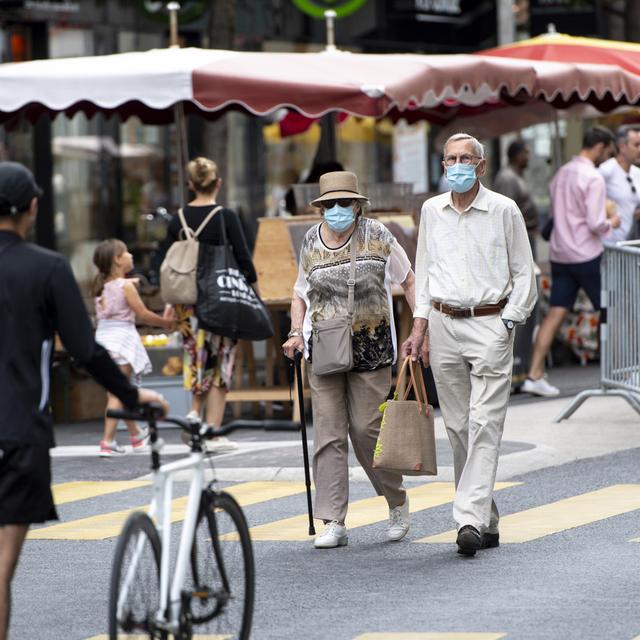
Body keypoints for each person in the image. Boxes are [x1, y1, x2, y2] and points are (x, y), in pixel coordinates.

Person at [0, 161, 168, 640]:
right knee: (2, 568)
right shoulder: (47, 268)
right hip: (17, 432)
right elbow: (86, 350)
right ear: (33, 207)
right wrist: (133, 396)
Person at [402, 133, 537, 556]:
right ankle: (486, 516)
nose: (458, 165)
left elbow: (524, 273)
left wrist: (508, 321)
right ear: (442, 165)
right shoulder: (431, 211)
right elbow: (423, 272)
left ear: (481, 165)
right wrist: (419, 328)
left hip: (491, 323)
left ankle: (467, 520)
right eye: (451, 159)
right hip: (442, 324)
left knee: (484, 424)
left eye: (466, 159)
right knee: (458, 428)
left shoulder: (503, 209)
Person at [282, 171, 416, 549]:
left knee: (366, 430)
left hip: (371, 349)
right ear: (321, 207)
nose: (337, 210)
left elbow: (408, 279)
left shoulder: (378, 234)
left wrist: (419, 327)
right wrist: (295, 332)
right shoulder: (311, 239)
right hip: (324, 348)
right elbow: (299, 294)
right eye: (329, 204)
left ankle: (396, 498)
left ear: (357, 204)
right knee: (328, 434)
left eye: (344, 203)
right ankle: (333, 520)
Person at [163, 157, 257, 453]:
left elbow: (166, 262)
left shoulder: (176, 219)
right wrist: (253, 290)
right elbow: (243, 258)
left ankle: (193, 413)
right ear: (218, 182)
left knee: (196, 357)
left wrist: (169, 301)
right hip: (219, 299)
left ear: (189, 184)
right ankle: (214, 432)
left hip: (186, 302)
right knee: (221, 363)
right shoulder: (225, 216)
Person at [522, 126, 620, 397]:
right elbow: (595, 222)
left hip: (560, 254)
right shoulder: (594, 178)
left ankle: (534, 373)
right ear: (599, 147)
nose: (607, 158)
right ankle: (620, 371)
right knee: (612, 310)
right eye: (608, 152)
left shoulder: (561, 173)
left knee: (556, 311)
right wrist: (613, 220)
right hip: (587, 254)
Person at [93, 239, 175, 457]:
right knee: (118, 392)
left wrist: (134, 282)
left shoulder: (100, 286)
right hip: (121, 340)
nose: (131, 255)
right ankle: (107, 440)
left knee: (120, 390)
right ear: (117, 260)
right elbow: (143, 314)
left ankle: (137, 435)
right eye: (126, 252)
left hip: (103, 339)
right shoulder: (126, 286)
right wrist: (166, 323)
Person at [493, 140, 539, 256]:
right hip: (518, 239)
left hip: (526, 234)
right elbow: (506, 214)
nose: (528, 157)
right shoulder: (507, 178)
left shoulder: (517, 175)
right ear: (517, 155)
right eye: (526, 153)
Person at [599, 125, 640, 246]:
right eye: (636, 145)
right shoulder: (605, 171)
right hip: (611, 246)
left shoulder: (637, 173)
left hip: (633, 243)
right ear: (622, 147)